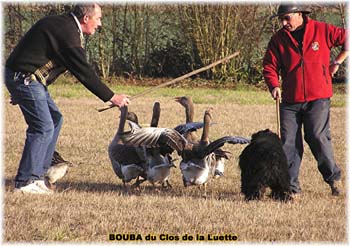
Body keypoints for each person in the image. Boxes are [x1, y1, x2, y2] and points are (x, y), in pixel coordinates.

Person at [5, 3, 130, 194]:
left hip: (26, 79)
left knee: (55, 119)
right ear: (86, 18)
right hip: (24, 78)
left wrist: (19, 90)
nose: (100, 24)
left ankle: (38, 176)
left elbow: (40, 59)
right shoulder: (68, 32)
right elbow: (83, 71)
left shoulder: (65, 27)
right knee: (43, 126)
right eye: (98, 19)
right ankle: (25, 182)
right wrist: (112, 97)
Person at [263, 3, 347, 196]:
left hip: (319, 97)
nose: (284, 23)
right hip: (290, 101)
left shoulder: (322, 30)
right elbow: (269, 65)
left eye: (287, 18)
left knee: (316, 136)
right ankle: (290, 188)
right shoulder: (278, 40)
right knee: (288, 143)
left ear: (299, 14)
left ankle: (333, 179)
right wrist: (274, 84)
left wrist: (337, 61)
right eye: (281, 19)